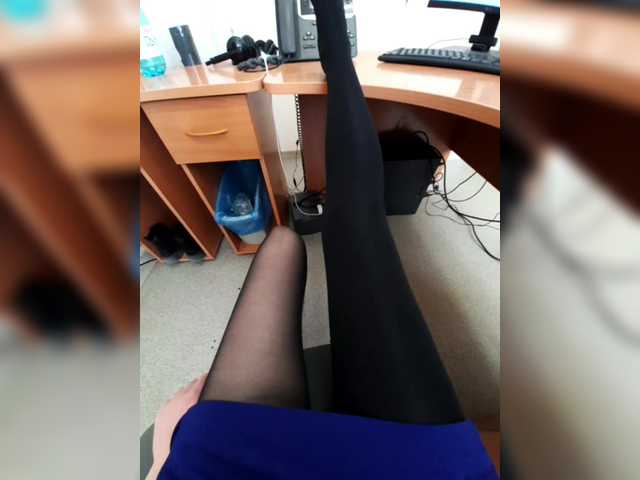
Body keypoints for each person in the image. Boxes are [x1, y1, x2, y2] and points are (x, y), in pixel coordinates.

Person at [148, 1, 498, 478]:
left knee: (286, 241)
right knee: (352, 223)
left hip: (228, 459)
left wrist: (160, 464)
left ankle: (333, 49)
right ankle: (334, 43)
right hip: (413, 465)